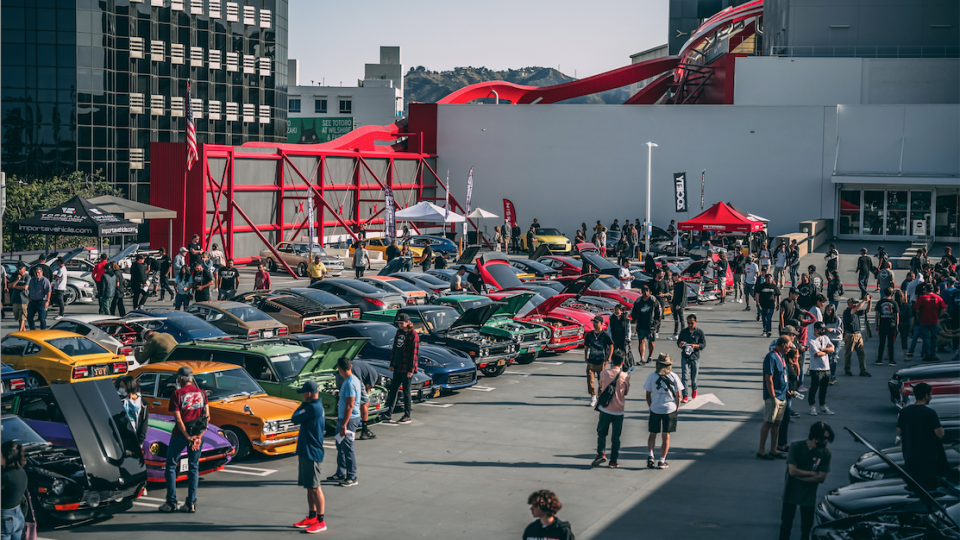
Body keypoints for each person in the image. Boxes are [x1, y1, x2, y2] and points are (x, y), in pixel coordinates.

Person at [161, 366, 209, 513]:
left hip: (179, 435)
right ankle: (191, 503)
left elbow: (178, 419)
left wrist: (187, 436)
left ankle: (171, 502)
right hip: (197, 436)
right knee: (193, 467)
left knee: (170, 465)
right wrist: (197, 438)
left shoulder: (177, 394)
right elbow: (207, 417)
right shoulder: (201, 393)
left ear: (180, 378)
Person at [779, 422, 834, 540]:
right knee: (785, 526)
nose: (826, 441)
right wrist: (813, 473)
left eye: (828, 439)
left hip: (809, 496)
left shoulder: (825, 453)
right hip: (790, 493)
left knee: (806, 528)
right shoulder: (796, 447)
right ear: (814, 437)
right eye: (824, 438)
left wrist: (801, 474)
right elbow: (793, 471)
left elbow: (821, 478)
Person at [291, 380, 328, 533]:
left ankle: (321, 520)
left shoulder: (312, 408)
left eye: (304, 393)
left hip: (312, 452)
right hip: (307, 451)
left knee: (316, 487)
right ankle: (312, 516)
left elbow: (294, 417)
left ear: (310, 394)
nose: (302, 396)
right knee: (309, 487)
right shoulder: (313, 406)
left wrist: (302, 405)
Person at [897, 382, 947, 490]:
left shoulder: (904, 412)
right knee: (928, 489)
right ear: (926, 395)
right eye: (930, 394)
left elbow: (899, 432)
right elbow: (940, 433)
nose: (931, 397)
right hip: (927, 459)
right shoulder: (930, 413)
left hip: (909, 457)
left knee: (912, 488)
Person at [644, 354, 682, 469]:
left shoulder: (651, 376)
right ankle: (662, 461)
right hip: (669, 409)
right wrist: (677, 408)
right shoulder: (674, 377)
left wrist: (651, 405)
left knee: (652, 434)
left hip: (655, 408)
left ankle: (651, 455)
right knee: (666, 436)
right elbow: (678, 395)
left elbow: (647, 394)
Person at [327, 357, 361, 487]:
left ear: (339, 368)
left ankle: (352, 476)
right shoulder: (354, 380)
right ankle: (340, 473)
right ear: (350, 366)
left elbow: (349, 405)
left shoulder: (349, 383)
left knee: (347, 448)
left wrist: (344, 425)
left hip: (349, 419)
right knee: (340, 445)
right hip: (346, 418)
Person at [592, 350, 630, 468]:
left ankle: (601, 453)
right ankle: (613, 460)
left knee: (602, 432)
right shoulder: (625, 376)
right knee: (616, 437)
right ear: (623, 362)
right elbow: (626, 392)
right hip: (619, 410)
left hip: (605, 408)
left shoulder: (604, 373)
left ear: (612, 360)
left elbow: (601, 386)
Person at [382, 314, 418, 424]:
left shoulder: (413, 335)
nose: (400, 325)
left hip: (407, 368)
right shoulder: (399, 332)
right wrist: (392, 363)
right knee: (393, 390)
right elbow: (395, 348)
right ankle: (388, 413)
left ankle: (407, 415)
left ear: (408, 322)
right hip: (398, 366)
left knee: (406, 392)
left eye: (402, 323)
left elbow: (414, 354)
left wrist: (411, 369)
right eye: (399, 323)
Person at [758, 337, 790, 460]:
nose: (789, 350)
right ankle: (761, 451)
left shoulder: (782, 357)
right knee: (768, 422)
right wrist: (772, 395)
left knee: (777, 424)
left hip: (782, 395)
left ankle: (773, 449)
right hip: (774, 395)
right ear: (782, 345)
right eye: (788, 347)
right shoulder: (771, 357)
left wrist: (786, 391)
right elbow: (768, 378)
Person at [336, 359, 380, 440]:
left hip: (339, 374)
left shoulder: (366, 368)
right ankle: (365, 430)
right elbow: (367, 391)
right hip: (352, 374)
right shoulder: (373, 375)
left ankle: (346, 418)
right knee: (365, 403)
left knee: (344, 399)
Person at [806, 322, 835, 416]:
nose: (823, 331)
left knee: (824, 388)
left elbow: (832, 349)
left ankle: (822, 405)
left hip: (826, 368)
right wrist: (826, 351)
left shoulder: (825, 338)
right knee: (814, 388)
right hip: (815, 368)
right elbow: (817, 354)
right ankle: (812, 406)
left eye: (823, 329)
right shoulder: (811, 340)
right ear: (815, 329)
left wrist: (822, 350)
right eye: (821, 329)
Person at [776, 348, 802, 455]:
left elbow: (798, 375)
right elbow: (784, 379)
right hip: (786, 395)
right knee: (783, 421)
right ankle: (781, 444)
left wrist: (796, 364)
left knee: (786, 421)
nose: (799, 356)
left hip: (790, 395)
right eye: (797, 355)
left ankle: (784, 443)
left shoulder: (791, 365)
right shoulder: (785, 365)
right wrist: (787, 391)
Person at [912, 283, 947, 361]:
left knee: (926, 338)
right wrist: (938, 316)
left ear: (926, 289)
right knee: (934, 338)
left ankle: (927, 354)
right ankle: (933, 354)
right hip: (934, 321)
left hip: (924, 320)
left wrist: (919, 316)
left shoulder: (922, 298)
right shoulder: (938, 297)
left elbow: (916, 309)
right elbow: (943, 309)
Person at [584, 316, 613, 408]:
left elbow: (611, 345)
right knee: (590, 380)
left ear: (601, 323)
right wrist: (585, 357)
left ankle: (600, 398)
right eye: (593, 322)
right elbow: (586, 346)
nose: (594, 324)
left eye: (596, 322)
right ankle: (593, 397)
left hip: (601, 362)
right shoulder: (589, 334)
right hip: (591, 361)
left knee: (601, 382)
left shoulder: (605, 335)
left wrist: (608, 358)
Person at [1, 440, 28, 540]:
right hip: (18, 514)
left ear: (5, 456)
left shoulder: (5, 476)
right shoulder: (21, 471)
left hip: (5, 517)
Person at [677, 314, 706, 404]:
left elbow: (703, 344)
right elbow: (678, 342)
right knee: (684, 377)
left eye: (691, 323)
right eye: (688, 323)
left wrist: (696, 346)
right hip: (685, 356)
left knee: (694, 377)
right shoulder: (683, 332)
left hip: (695, 357)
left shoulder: (699, 332)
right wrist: (680, 344)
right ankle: (685, 395)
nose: (690, 325)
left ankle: (694, 388)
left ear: (695, 322)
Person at [842, 296, 872, 377]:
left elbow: (867, 310)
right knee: (848, 353)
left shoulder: (856, 312)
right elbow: (857, 308)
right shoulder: (847, 311)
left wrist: (869, 301)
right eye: (853, 303)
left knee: (861, 354)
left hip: (858, 334)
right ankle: (847, 370)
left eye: (856, 303)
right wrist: (864, 300)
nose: (855, 304)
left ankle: (863, 370)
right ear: (849, 304)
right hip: (850, 335)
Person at [631, 285, 661, 364]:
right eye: (643, 290)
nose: (645, 292)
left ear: (649, 291)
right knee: (641, 341)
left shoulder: (653, 300)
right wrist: (635, 320)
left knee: (651, 342)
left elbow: (659, 312)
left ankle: (650, 356)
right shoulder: (638, 301)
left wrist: (656, 323)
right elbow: (633, 311)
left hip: (651, 325)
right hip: (641, 325)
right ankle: (642, 358)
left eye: (646, 290)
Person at [115, 376, 149, 446]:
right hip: (122, 438)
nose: (120, 389)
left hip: (135, 438)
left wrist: (140, 440)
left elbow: (144, 422)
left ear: (128, 386)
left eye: (122, 386)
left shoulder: (143, 403)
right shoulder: (120, 400)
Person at [874, 287, 899, 366]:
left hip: (882, 324)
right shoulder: (894, 303)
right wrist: (897, 325)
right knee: (890, 343)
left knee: (882, 342)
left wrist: (876, 325)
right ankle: (891, 360)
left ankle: (879, 359)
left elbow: (877, 315)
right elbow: (897, 315)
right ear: (891, 294)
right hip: (891, 324)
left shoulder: (880, 302)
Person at [821, 304, 843, 385]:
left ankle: (832, 376)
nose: (828, 312)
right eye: (827, 310)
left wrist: (832, 330)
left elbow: (840, 330)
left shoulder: (837, 319)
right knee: (826, 359)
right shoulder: (824, 319)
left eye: (830, 310)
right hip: (827, 341)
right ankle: (826, 376)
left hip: (836, 341)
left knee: (834, 359)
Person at [607, 305, 633, 370]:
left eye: (617, 310)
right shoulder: (612, 318)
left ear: (621, 310)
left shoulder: (625, 318)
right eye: (614, 310)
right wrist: (609, 339)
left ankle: (624, 367)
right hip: (614, 339)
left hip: (623, 339)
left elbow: (628, 330)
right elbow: (609, 330)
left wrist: (628, 340)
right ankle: (614, 367)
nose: (615, 311)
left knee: (624, 353)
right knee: (614, 353)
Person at [26, 265, 51, 330]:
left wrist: (47, 301)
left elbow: (49, 291)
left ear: (42, 272)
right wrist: (28, 297)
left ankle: (43, 332)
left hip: (41, 302)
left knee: (42, 319)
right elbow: (29, 289)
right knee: (29, 317)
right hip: (32, 302)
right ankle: (33, 330)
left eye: (39, 272)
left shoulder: (45, 280)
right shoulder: (32, 280)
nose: (37, 274)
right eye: (36, 273)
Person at [9, 264, 29, 332]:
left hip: (24, 300)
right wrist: (17, 280)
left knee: (23, 317)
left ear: (24, 269)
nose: (18, 270)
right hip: (15, 299)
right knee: (19, 318)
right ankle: (24, 331)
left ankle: (20, 331)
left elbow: (25, 287)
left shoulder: (27, 276)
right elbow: (10, 285)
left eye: (20, 269)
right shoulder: (14, 276)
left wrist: (15, 286)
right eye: (18, 268)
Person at [669, 273, 687, 339]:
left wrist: (680, 304)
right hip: (675, 303)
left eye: (673, 277)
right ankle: (675, 333)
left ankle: (683, 334)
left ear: (677, 276)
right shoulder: (676, 284)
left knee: (681, 319)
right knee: (676, 319)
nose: (672, 279)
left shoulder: (683, 284)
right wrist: (672, 302)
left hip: (679, 304)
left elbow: (683, 295)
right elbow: (675, 294)